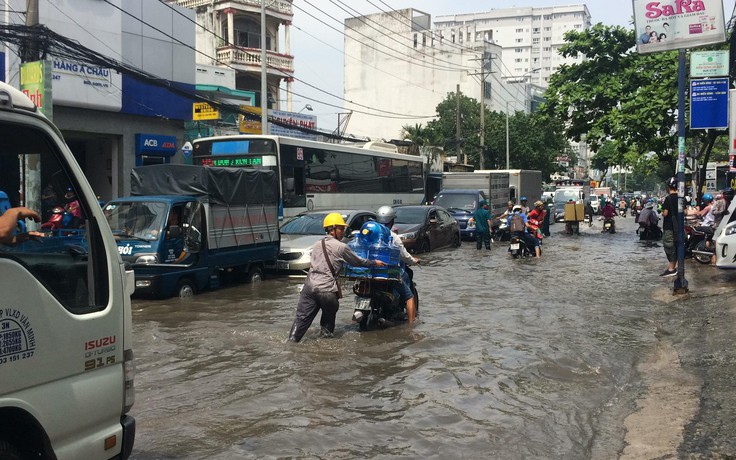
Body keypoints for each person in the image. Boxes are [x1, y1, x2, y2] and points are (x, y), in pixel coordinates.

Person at [288, 213, 386, 343]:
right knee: (328, 322)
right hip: (326, 290)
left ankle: (291, 343)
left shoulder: (317, 244)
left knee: (301, 319)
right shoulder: (341, 247)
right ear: (332, 229)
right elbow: (358, 262)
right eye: (341, 228)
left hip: (309, 287)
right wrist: (375, 263)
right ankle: (325, 348)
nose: (343, 232)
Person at [375, 206, 419, 322]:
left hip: (371, 272)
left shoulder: (370, 235)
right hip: (389, 273)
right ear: (391, 221)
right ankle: (411, 325)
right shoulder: (393, 237)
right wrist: (413, 260)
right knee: (409, 296)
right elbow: (404, 255)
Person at [660, 177, 679, 277]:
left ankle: (671, 268)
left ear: (668, 187)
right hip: (679, 226)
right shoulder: (681, 198)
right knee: (676, 246)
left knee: (669, 246)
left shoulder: (668, 199)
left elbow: (665, 213)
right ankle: (673, 267)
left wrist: (662, 212)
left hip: (669, 226)